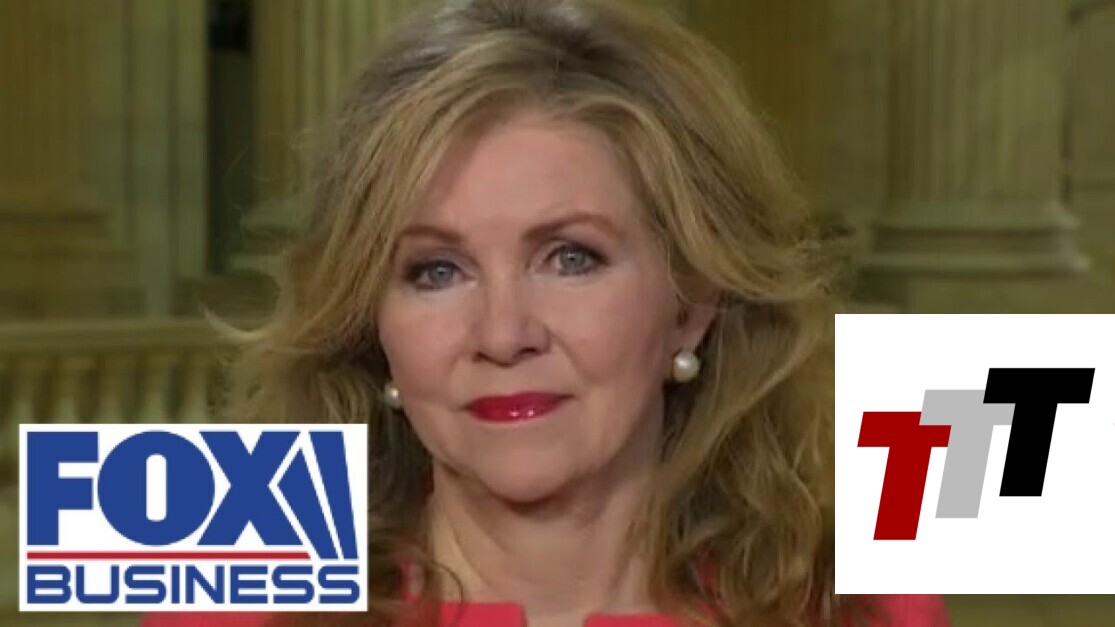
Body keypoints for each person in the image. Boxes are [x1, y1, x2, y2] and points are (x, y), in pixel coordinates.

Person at [146, 0, 949, 625]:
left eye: (571, 258)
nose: (503, 335)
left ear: (691, 304)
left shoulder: (852, 602)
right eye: (435, 271)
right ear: (372, 324)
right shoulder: (232, 596)